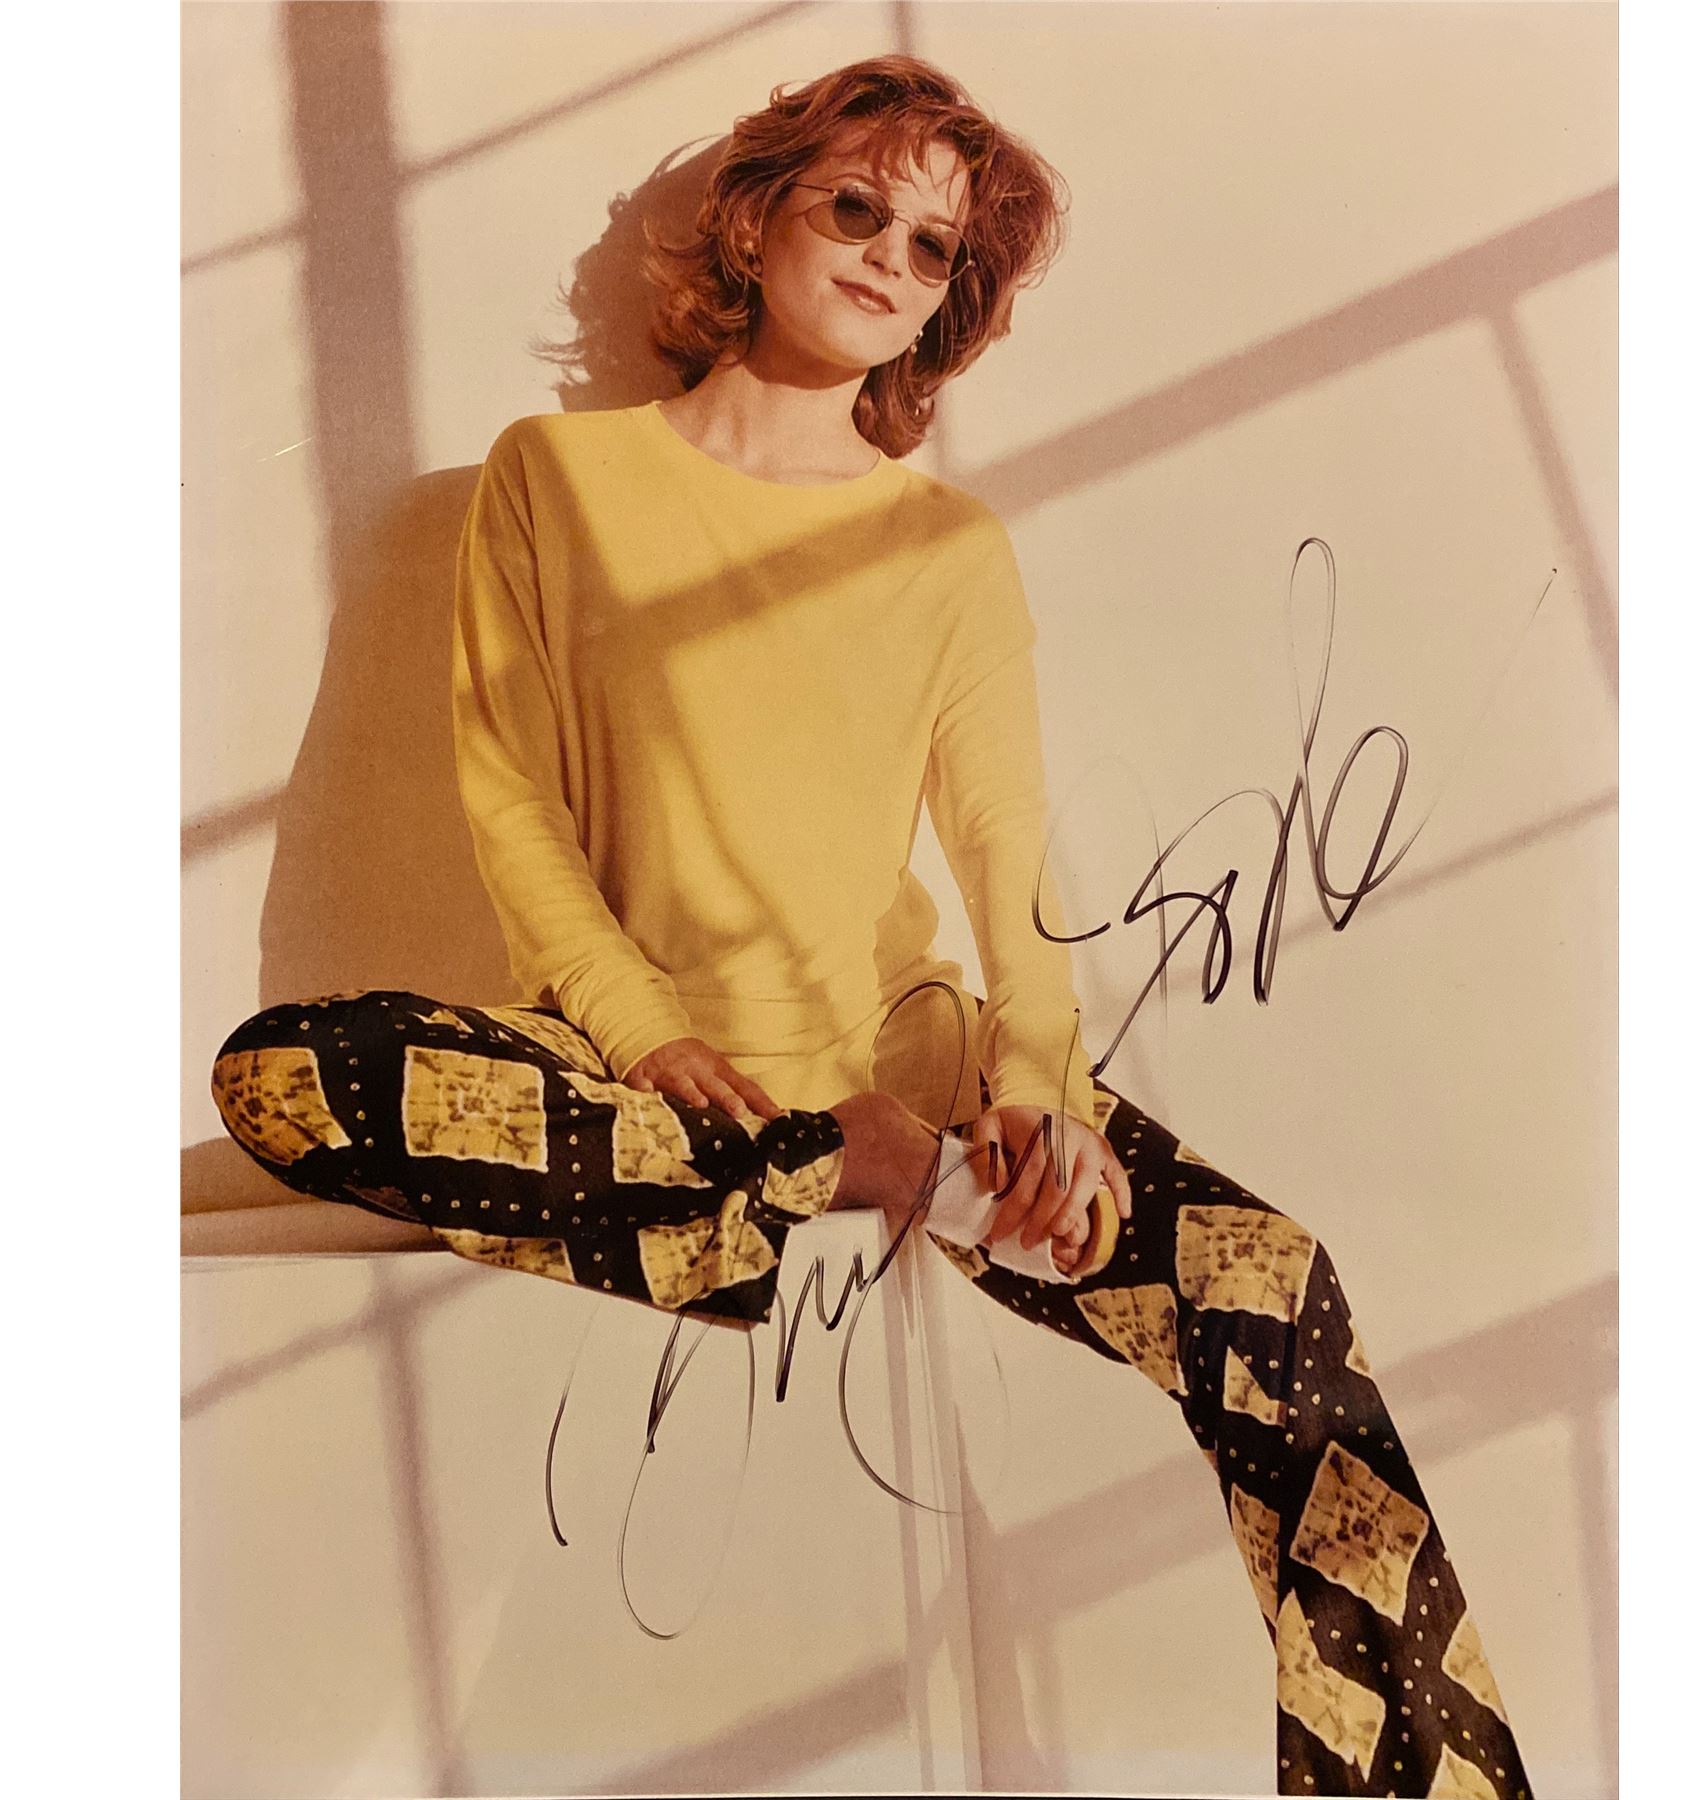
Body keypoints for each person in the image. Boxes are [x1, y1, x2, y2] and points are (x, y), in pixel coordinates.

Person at [211, 53, 1533, 1800]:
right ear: (756, 217)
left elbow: (1003, 855)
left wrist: (1042, 1098)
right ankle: (834, 1169)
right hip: (645, 1079)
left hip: (917, 1075)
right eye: (858, 208)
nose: (890, 260)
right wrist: (647, 1038)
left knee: (1279, 1296)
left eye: (931, 249)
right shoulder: (554, 480)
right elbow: (511, 803)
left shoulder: (945, 550)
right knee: (287, 1072)